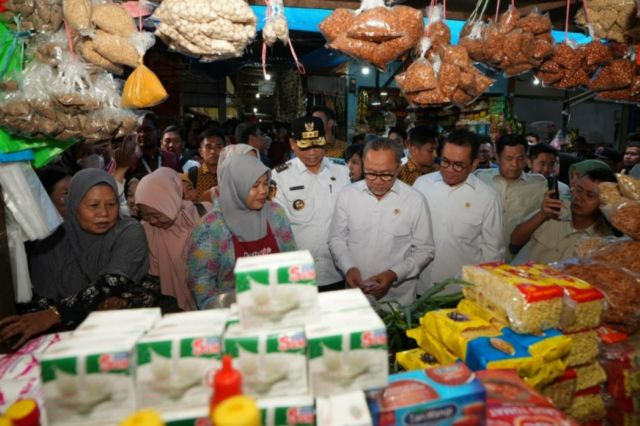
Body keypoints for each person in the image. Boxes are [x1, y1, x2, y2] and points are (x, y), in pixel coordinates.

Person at [0, 169, 157, 349]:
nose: (104, 213)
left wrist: (55, 314)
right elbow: (37, 302)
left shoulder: (128, 231)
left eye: (111, 204)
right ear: (74, 205)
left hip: (124, 334)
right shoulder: (52, 240)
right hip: (66, 341)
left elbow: (110, 284)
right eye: (93, 205)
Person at [328, 138, 435, 306]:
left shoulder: (415, 200)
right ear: (363, 164)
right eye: (370, 173)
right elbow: (337, 239)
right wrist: (349, 268)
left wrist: (394, 274)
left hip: (397, 300)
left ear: (398, 168)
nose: (377, 180)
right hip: (355, 298)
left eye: (386, 174)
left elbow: (425, 250)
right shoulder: (347, 195)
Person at [187, 156, 297, 309]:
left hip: (279, 308)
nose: (263, 191)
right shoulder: (210, 227)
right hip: (233, 315)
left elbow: (291, 260)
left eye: (265, 184)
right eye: (255, 185)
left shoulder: (275, 213)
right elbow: (202, 284)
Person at [413, 129, 504, 293]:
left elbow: (492, 253)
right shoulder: (421, 185)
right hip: (418, 287)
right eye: (445, 161)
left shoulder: (487, 197)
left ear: (474, 164)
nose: (449, 169)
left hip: (459, 293)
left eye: (459, 165)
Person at [271, 116, 350, 291]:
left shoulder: (342, 172)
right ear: (292, 144)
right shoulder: (280, 176)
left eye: (317, 145)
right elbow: (277, 226)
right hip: (298, 271)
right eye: (305, 147)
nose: (312, 153)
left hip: (337, 270)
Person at [136, 168, 211, 311]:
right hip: (175, 309)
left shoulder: (205, 214)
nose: (152, 221)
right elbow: (154, 278)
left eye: (155, 214)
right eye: (146, 216)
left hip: (212, 301)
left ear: (169, 200)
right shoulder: (148, 230)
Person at [511, 169, 617, 264]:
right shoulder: (554, 208)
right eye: (579, 190)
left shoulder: (604, 242)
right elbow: (515, 241)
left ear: (605, 203)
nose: (579, 197)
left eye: (590, 195)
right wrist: (541, 215)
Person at [476, 134, 547, 258]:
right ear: (497, 157)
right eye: (508, 158)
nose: (515, 164)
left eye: (520, 158)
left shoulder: (539, 185)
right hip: (482, 259)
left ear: (526, 159)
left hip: (520, 261)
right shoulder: (480, 178)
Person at [128, 113, 181, 178]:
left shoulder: (171, 159)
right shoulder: (129, 161)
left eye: (148, 130)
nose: (143, 134)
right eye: (139, 131)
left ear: (158, 133)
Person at [187, 128, 226, 202]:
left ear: (225, 150)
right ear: (200, 152)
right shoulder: (193, 175)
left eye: (218, 147)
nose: (213, 151)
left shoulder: (232, 174)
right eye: (208, 147)